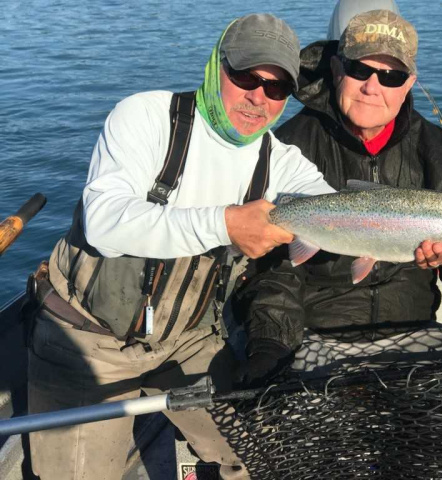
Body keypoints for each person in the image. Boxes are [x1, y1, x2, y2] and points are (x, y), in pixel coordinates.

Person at [26, 13, 336, 480]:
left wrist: (426, 239)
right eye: (246, 76)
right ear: (217, 66)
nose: (258, 97)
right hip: (89, 341)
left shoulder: (282, 162)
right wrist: (227, 223)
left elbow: (341, 214)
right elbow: (104, 222)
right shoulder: (146, 117)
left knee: (263, 454)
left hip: (190, 338)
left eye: (276, 89)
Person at [233, 8, 442, 386]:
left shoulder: (436, 148)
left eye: (391, 76)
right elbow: (274, 270)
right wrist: (272, 342)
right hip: (314, 333)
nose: (372, 86)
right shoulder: (289, 146)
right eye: (359, 70)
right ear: (336, 69)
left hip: (414, 329)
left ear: (409, 82)